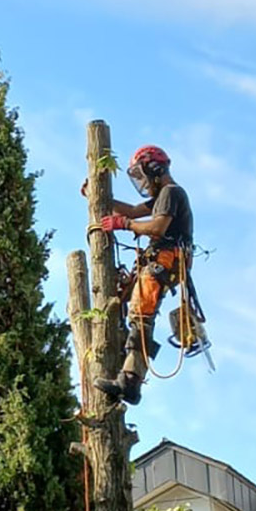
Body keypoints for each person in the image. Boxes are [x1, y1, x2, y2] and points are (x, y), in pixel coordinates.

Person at [88, 144, 196, 406]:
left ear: (154, 170)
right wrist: (100, 197)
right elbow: (135, 211)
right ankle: (130, 370)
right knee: (136, 310)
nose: (142, 183)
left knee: (141, 315)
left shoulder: (171, 193)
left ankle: (130, 380)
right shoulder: (162, 196)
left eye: (142, 175)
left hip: (165, 259)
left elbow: (157, 228)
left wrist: (125, 225)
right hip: (163, 261)